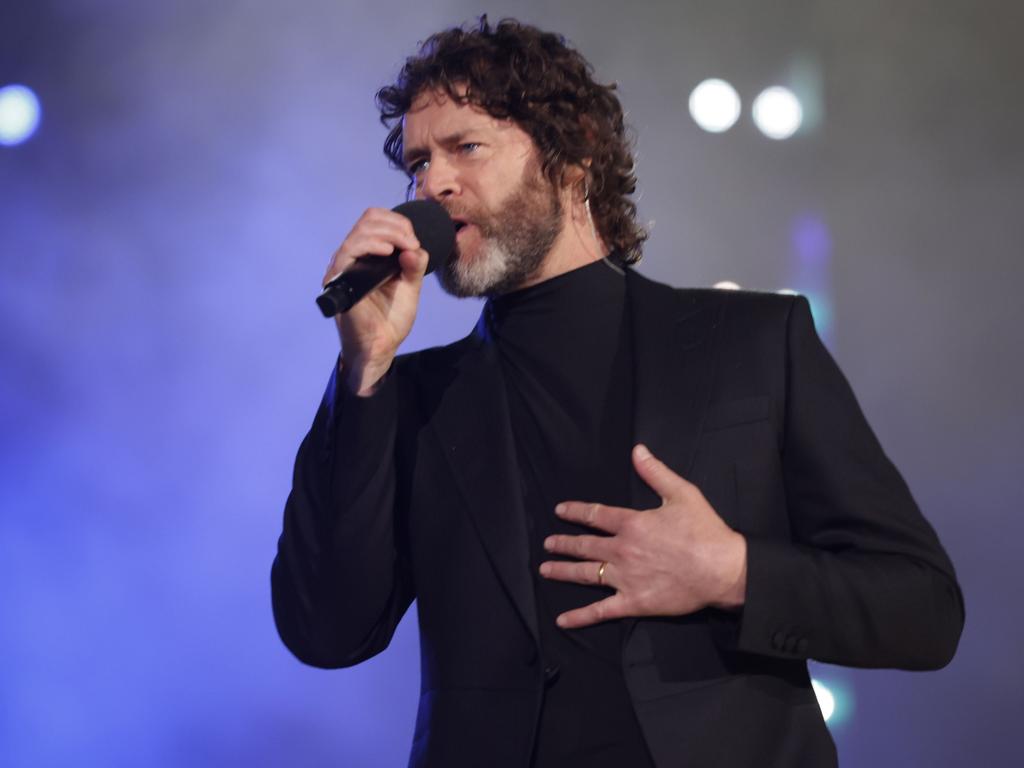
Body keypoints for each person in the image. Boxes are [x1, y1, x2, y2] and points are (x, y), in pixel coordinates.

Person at [271, 18, 964, 768]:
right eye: (416, 163)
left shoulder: (755, 342)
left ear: (573, 161)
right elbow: (324, 630)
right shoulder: (408, 397)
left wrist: (732, 572)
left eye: (466, 147)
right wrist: (364, 370)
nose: (430, 185)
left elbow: (922, 609)